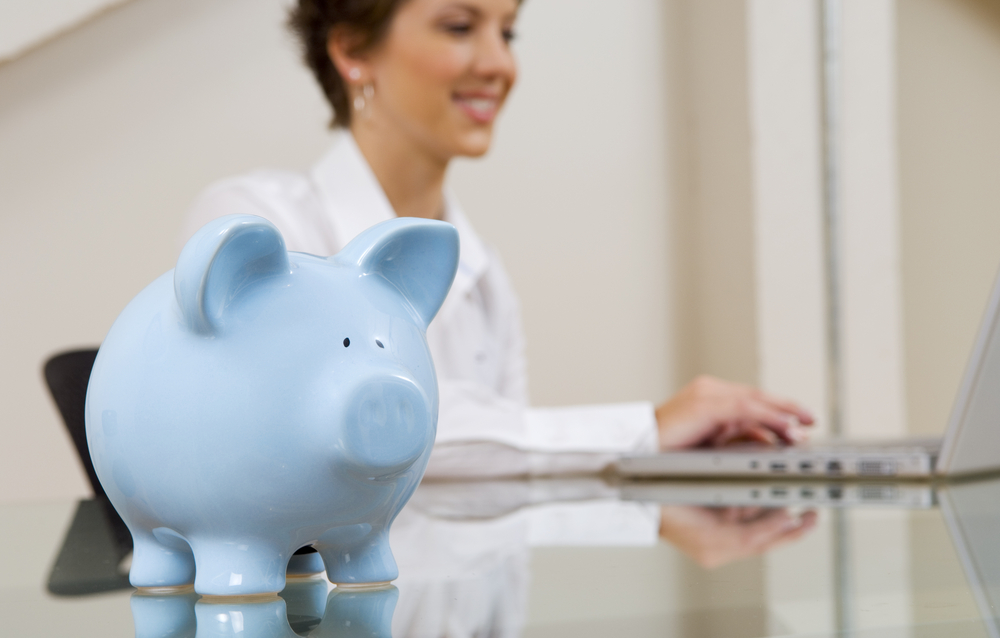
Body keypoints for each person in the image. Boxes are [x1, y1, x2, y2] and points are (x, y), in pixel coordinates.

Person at [182, 0, 814, 475]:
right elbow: (368, 432)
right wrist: (645, 430)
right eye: (460, 27)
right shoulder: (258, 228)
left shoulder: (483, 275)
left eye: (507, 32)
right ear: (352, 52)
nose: (499, 64)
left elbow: (504, 476)